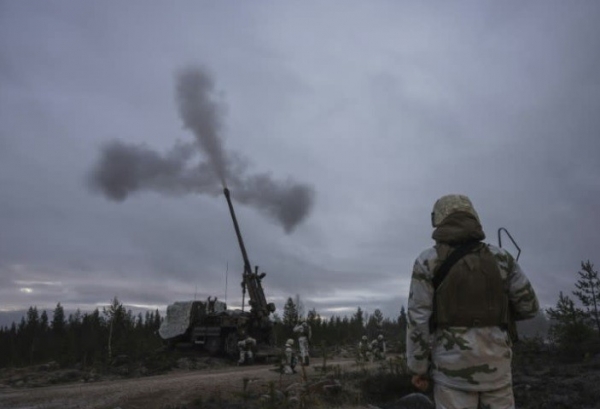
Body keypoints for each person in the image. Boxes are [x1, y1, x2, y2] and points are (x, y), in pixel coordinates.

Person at [406, 194, 539, 409]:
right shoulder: (502, 258)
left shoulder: (427, 261)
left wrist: (418, 368)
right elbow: (529, 307)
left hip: (451, 373)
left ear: (438, 220)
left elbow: (418, 319)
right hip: (497, 369)